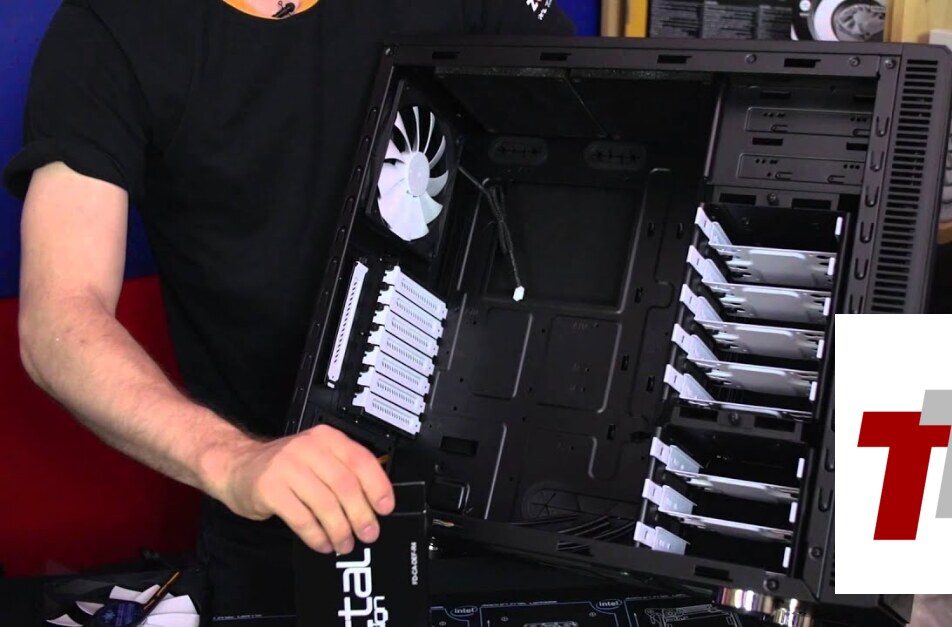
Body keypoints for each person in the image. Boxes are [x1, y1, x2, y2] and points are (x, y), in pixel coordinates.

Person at [3, 0, 574, 616]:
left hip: (527, 494)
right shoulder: (112, 28)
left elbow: (599, 116)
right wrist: (234, 460)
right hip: (291, 511)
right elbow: (59, 318)